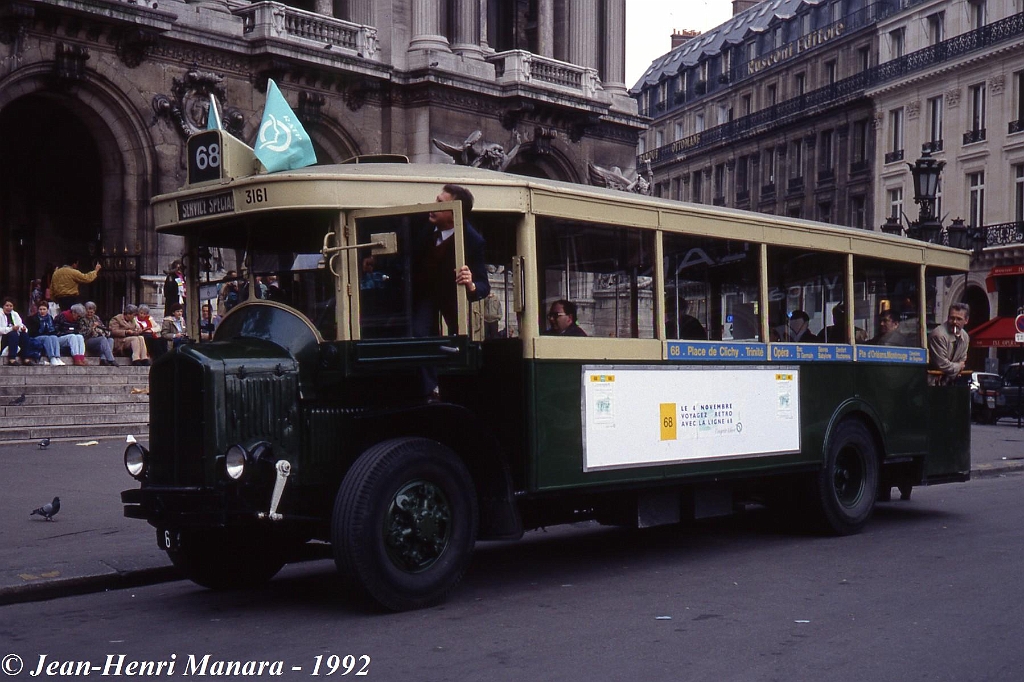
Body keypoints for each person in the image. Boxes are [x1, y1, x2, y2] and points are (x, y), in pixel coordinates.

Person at [412, 184, 490, 337]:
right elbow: (402, 246)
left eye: (441, 204)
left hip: (452, 301)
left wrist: (470, 284)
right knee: (419, 333)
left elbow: (483, 286)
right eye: (437, 200)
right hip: (419, 296)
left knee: (459, 342)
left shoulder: (473, 241)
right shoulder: (421, 221)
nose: (433, 207)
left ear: (455, 214)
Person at [928, 302, 970, 386]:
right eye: (952, 318)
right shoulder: (938, 335)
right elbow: (942, 364)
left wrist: (956, 367)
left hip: (949, 383)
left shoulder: (965, 337)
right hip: (933, 383)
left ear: (966, 320)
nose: (954, 322)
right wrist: (958, 367)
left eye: (959, 319)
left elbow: (962, 359)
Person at [24, 300, 64, 365]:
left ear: (47, 310)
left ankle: (57, 357)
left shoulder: (50, 318)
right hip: (36, 337)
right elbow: (32, 332)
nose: (42, 311)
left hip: (47, 336)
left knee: (54, 337)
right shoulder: (32, 318)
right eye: (40, 309)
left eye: (44, 309)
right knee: (47, 338)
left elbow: (52, 331)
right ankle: (52, 357)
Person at [1, 297, 38, 365]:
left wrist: (23, 328)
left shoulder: (14, 314)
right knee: (13, 334)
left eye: (11, 306)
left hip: (14, 338)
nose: (9, 307)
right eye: (7, 306)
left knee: (24, 334)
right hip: (3, 338)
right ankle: (12, 358)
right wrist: (11, 329)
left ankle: (25, 358)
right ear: (3, 306)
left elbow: (20, 324)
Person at [80, 302, 117, 366]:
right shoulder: (82, 319)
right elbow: (83, 333)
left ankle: (103, 359)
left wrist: (105, 330)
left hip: (98, 338)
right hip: (87, 340)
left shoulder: (96, 318)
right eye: (88, 312)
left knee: (110, 340)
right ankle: (111, 359)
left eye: (91, 312)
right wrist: (92, 328)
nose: (89, 314)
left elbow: (103, 327)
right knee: (102, 339)